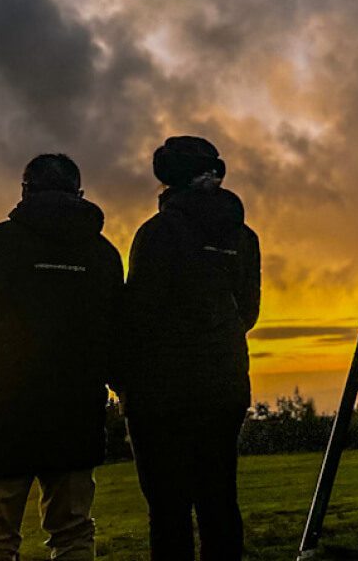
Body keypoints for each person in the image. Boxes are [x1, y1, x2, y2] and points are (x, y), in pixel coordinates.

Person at [0, 154, 123, 560]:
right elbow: (116, 337)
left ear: (25, 192)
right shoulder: (103, 255)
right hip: (75, 415)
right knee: (73, 533)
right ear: (80, 194)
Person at [117, 135, 260, 560]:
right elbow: (247, 312)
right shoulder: (244, 236)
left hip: (160, 395)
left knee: (168, 511)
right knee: (219, 501)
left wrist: (122, 378)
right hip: (224, 386)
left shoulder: (157, 233)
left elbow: (137, 315)